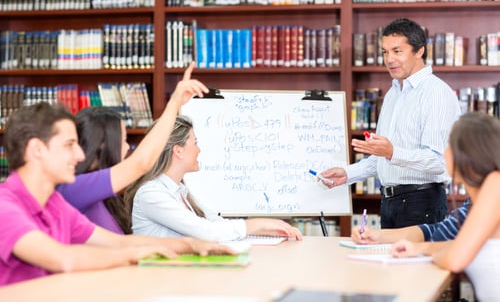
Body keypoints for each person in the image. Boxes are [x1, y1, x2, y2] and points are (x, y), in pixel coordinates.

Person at [0, 102, 234, 287]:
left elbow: (119, 242)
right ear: (36, 150)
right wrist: (136, 254)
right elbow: (64, 259)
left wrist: (190, 244)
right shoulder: (4, 207)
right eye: (69, 145)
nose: (81, 155)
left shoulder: (55, 205)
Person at [320, 18, 461, 228]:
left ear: (419, 51)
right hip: (389, 203)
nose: (389, 59)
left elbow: (439, 162)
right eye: (385, 52)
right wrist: (348, 173)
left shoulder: (436, 93)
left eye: (397, 51)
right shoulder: (393, 94)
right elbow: (382, 158)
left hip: (421, 204)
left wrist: (392, 152)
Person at [57, 62, 206, 234]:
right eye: (123, 139)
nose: (127, 146)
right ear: (104, 145)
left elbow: (120, 245)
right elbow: (141, 163)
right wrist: (175, 102)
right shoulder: (75, 188)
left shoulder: (103, 196)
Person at [125, 115, 303, 242]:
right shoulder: (151, 194)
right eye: (195, 143)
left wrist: (268, 230)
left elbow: (216, 224)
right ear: (178, 151)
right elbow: (206, 232)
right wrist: (257, 224)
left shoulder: (180, 189)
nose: (199, 150)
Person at [390, 113, 500, 301]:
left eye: (449, 145)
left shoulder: (495, 185)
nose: (444, 152)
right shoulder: (484, 196)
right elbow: (462, 246)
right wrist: (418, 249)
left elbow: (455, 259)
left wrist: (435, 253)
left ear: (467, 154)